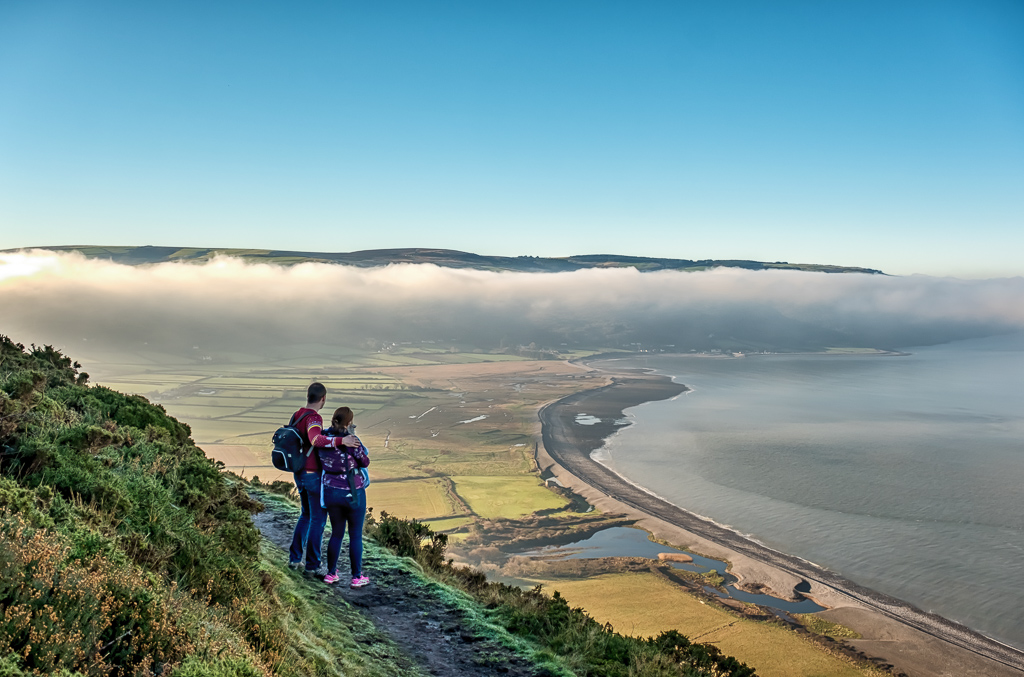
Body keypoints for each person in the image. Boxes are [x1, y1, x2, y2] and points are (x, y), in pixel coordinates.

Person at [287, 382, 348, 575]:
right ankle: (313, 566)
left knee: (306, 515)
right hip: (312, 474)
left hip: (299, 473)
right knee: (318, 520)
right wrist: (341, 440)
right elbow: (315, 439)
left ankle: (295, 559)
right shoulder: (314, 417)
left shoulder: (298, 414)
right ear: (323, 399)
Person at [319, 406, 370, 588]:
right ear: (349, 424)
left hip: (331, 492)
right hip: (353, 492)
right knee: (355, 535)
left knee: (336, 534)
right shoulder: (352, 441)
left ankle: (331, 573)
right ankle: (356, 578)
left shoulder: (324, 438)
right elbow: (364, 460)